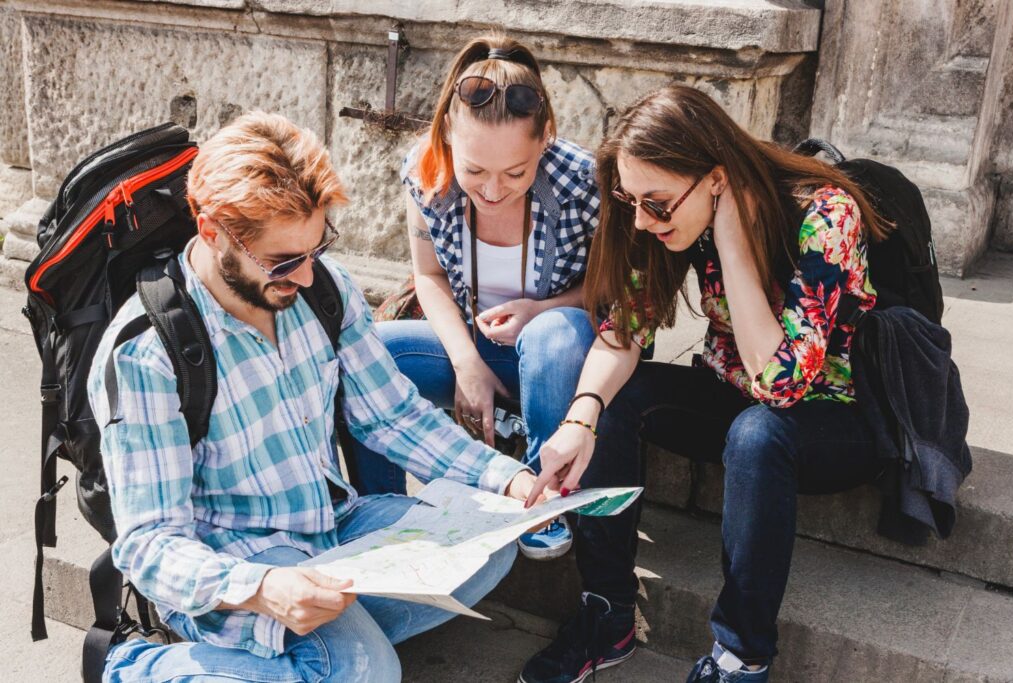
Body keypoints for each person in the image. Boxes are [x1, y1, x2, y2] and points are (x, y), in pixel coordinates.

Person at [87, 111, 540, 682]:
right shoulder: (146, 354)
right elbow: (151, 544)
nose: (304, 277)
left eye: (316, 247)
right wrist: (263, 588)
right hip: (236, 562)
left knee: (487, 545)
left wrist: (506, 478)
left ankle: (306, 656)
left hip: (334, 524)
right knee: (368, 670)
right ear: (212, 231)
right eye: (282, 262)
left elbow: (393, 416)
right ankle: (139, 667)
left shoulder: (325, 286)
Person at [518, 84, 890, 683]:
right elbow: (624, 332)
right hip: (737, 398)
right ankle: (607, 611)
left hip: (835, 420)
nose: (641, 220)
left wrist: (733, 242)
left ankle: (741, 658)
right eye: (631, 200)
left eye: (657, 204)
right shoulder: (662, 218)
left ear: (717, 180)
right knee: (616, 402)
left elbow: (782, 384)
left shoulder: (825, 214)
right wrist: (578, 420)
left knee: (758, 433)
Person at [353, 34, 601, 561]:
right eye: (474, 171)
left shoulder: (582, 180)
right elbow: (429, 277)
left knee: (552, 336)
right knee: (369, 353)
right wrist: (466, 364)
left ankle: (539, 499)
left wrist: (542, 309)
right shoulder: (426, 171)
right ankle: (382, 515)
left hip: (564, 359)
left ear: (545, 139)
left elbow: (616, 290)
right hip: (477, 349)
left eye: (515, 172)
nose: (491, 190)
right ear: (447, 137)